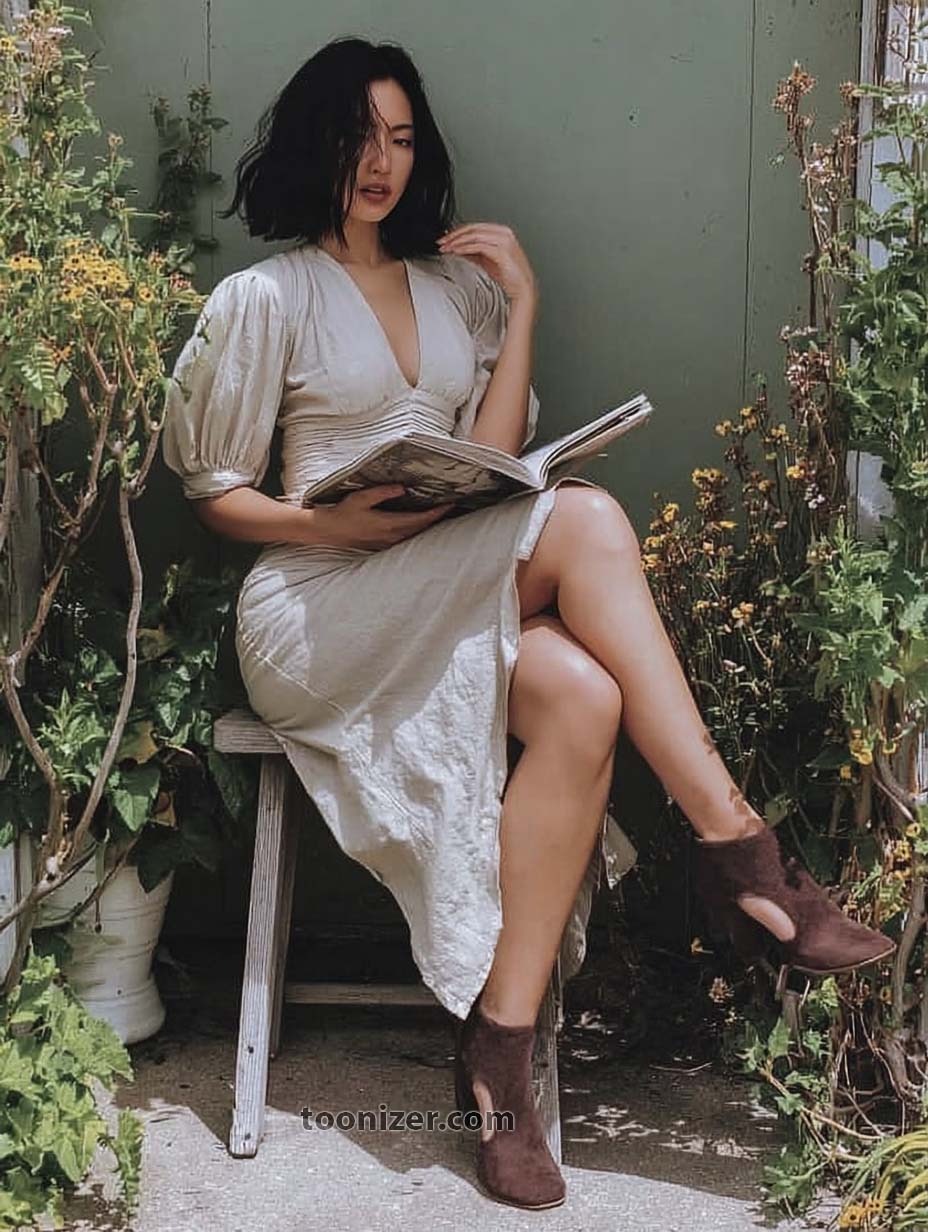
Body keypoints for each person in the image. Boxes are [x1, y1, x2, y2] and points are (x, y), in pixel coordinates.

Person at [160, 35, 897, 1212]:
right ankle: (740, 855)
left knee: (585, 694)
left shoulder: (455, 289)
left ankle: (497, 1055)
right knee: (591, 521)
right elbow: (212, 488)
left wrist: (526, 302)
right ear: (317, 142)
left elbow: (495, 467)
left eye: (402, 136)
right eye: (359, 133)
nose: (381, 160)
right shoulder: (268, 295)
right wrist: (334, 529)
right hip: (316, 608)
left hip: (448, 581)